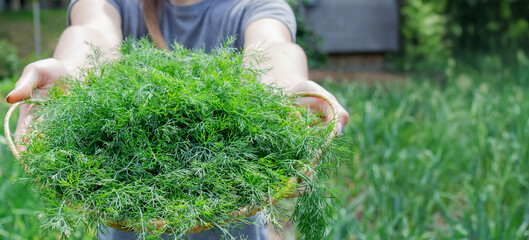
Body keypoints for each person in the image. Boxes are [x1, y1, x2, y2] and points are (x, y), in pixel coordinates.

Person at [5, 0, 349, 239]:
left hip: (232, 225)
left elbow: (274, 49)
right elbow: (91, 32)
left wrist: (284, 92)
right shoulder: (115, 3)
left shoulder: (256, 6)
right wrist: (71, 74)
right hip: (128, 223)